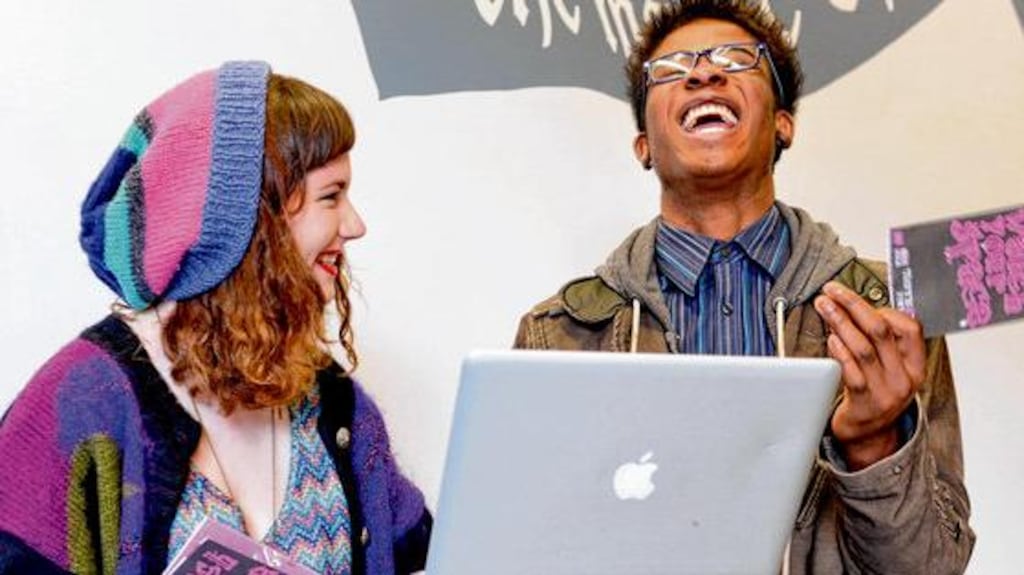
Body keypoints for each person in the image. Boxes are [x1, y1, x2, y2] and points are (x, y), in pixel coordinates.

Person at [514, 1, 974, 573]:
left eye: (736, 59)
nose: (704, 73)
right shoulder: (559, 336)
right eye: (672, 69)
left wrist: (873, 443)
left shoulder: (886, 320)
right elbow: (527, 550)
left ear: (783, 124)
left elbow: (932, 567)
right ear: (644, 146)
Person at [0, 61, 431, 574]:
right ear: (255, 219)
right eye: (331, 196)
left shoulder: (334, 400)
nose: (355, 224)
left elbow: (430, 552)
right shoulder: (80, 398)